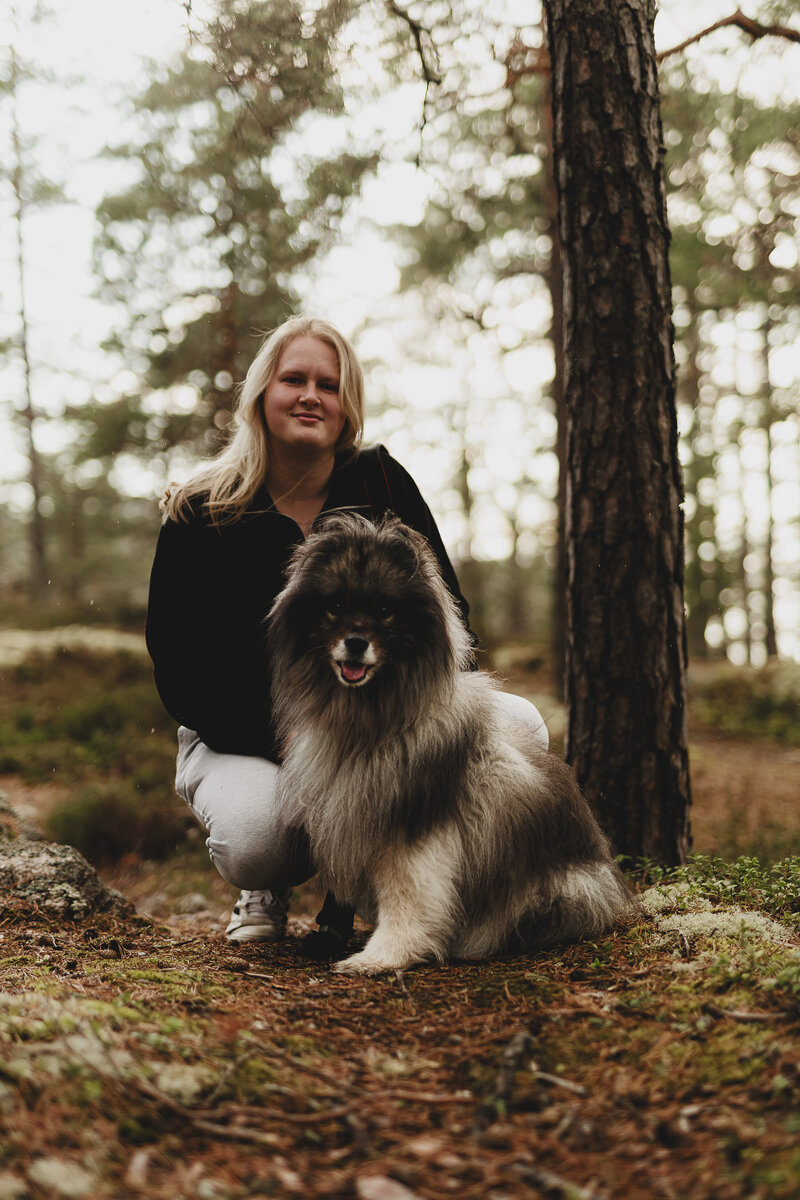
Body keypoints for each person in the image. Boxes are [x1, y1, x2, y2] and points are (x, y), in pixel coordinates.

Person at [145, 315, 549, 957]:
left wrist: (405, 717)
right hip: (245, 732)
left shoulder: (382, 482)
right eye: (294, 379)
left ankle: (416, 895)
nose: (311, 395)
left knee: (521, 725)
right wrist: (300, 737)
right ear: (261, 394)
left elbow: (447, 617)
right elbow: (180, 669)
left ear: (347, 406)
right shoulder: (201, 508)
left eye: (329, 385)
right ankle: (266, 890)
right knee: (257, 836)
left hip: (385, 720)